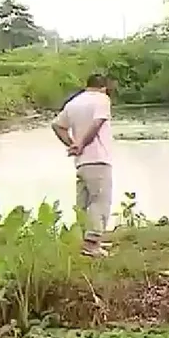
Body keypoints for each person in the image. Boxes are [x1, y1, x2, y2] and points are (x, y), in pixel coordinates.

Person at [51, 74, 114, 257]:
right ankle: (91, 243)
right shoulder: (102, 99)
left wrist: (71, 144)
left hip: (81, 163)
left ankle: (87, 241)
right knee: (100, 201)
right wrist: (81, 144)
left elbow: (57, 125)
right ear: (103, 87)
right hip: (98, 159)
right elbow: (97, 123)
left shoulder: (74, 102)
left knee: (83, 203)